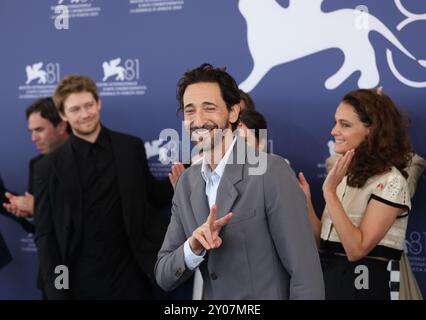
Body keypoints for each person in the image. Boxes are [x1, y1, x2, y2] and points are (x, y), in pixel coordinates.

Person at [155, 63, 324, 299]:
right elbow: (164, 275)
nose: (199, 120)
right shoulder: (187, 183)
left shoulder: (271, 172)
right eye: (190, 110)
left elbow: (305, 274)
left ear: (233, 112)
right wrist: (193, 246)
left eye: (209, 108)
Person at [33, 75, 175, 299]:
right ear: (63, 115)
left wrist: (184, 178)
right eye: (75, 109)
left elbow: (153, 197)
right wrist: (58, 290)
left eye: (89, 105)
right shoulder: (47, 168)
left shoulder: (130, 147)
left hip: (131, 277)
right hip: (78, 282)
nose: (85, 114)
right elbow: (46, 235)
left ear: (98, 103)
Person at [298, 89, 413, 300]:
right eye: (335, 122)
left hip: (367, 288)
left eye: (345, 124)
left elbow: (356, 250)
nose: (334, 131)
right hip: (330, 283)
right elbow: (322, 245)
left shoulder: (391, 181)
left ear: (371, 130)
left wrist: (329, 192)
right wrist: (305, 202)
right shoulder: (343, 175)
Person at [3, 97, 69, 220]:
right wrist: (30, 214)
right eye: (31, 131)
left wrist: (38, 208)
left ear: (61, 127)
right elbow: (40, 226)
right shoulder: (37, 164)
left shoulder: (92, 160)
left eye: (39, 130)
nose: (33, 138)